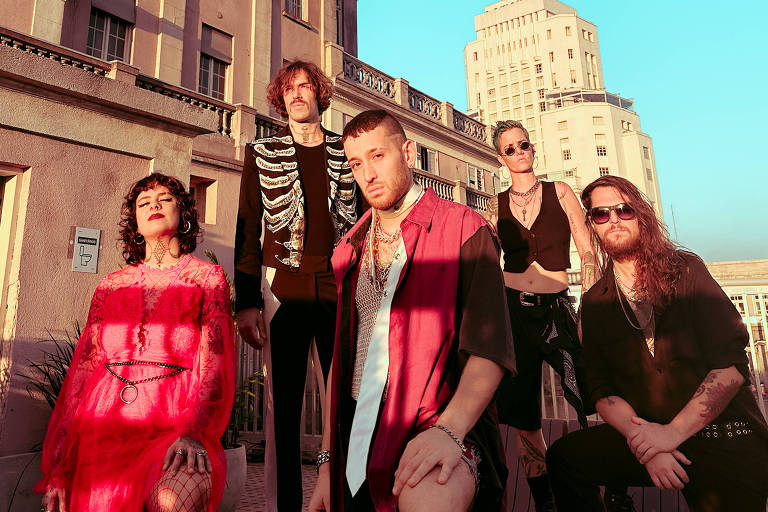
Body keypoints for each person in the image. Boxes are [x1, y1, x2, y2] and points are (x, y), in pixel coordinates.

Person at [308, 109, 516, 512]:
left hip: (441, 422)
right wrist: (326, 464)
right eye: (356, 162)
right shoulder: (349, 248)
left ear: (408, 152)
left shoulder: (464, 228)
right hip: (358, 434)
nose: (367, 173)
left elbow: (490, 349)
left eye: (378, 156)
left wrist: (449, 430)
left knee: (428, 500)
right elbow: (341, 362)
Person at [546, 175, 768, 511]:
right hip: (650, 432)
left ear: (642, 216)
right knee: (564, 458)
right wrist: (646, 445)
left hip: (720, 432)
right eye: (601, 214)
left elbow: (731, 367)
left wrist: (670, 435)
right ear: (591, 225)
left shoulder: (685, 271)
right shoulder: (595, 302)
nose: (614, 220)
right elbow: (602, 392)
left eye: (624, 210)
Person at [37, 173, 235, 512]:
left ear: (183, 214)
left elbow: (215, 363)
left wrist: (196, 432)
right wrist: (58, 465)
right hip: (103, 428)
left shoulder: (206, 278)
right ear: (135, 225)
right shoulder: (110, 285)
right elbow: (82, 374)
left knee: (176, 498)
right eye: (143, 203)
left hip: (176, 423)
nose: (154, 205)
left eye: (165, 199)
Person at [234, 60, 361, 510]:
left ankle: (342, 497)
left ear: (320, 96)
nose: (297, 94)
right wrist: (246, 303)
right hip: (283, 286)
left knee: (344, 400)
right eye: (289, 88)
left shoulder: (346, 152)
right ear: (280, 97)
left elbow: (365, 221)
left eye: (306, 86)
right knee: (283, 409)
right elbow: (247, 228)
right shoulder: (261, 153)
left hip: (338, 284)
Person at [484, 120, 597, 511]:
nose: (519, 152)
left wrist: (592, 305)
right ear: (501, 158)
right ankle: (546, 504)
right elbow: (486, 262)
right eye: (510, 149)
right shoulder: (494, 204)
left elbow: (586, 252)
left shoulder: (560, 192)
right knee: (524, 418)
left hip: (557, 310)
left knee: (592, 394)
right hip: (513, 315)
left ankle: (609, 489)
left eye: (524, 145)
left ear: (533, 149)